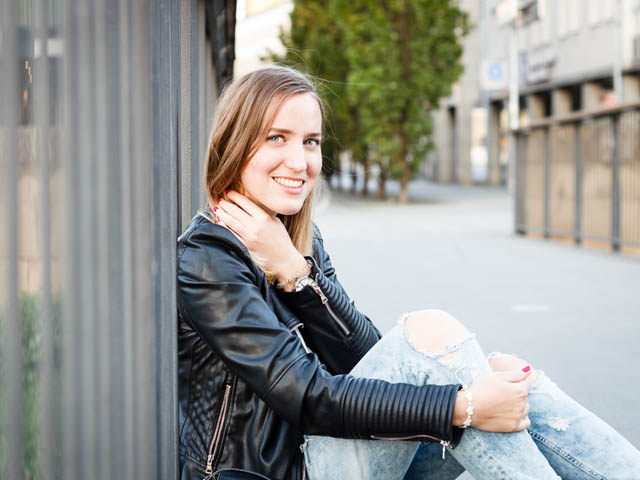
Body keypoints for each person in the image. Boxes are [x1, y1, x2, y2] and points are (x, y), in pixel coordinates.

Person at [176, 66, 640, 480]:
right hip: (286, 472)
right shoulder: (209, 258)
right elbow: (307, 398)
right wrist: (463, 407)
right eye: (277, 138)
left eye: (310, 141)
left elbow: (364, 358)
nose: (300, 162)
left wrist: (299, 275)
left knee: (510, 382)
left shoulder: (297, 241)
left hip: (334, 453)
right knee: (443, 344)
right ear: (235, 143)